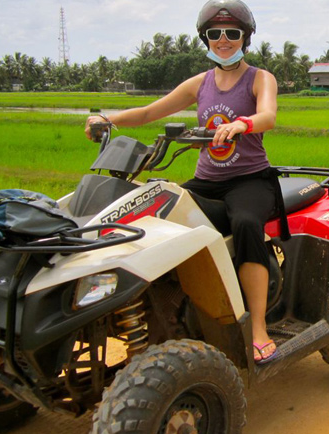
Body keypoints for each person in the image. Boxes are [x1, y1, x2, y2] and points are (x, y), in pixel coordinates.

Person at [84, 0, 280, 363]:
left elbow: (267, 114)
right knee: (156, 211)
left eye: (232, 33)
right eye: (215, 33)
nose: (223, 40)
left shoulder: (260, 78)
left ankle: (258, 327)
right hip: (206, 181)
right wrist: (107, 118)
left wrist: (243, 123)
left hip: (250, 181)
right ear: (205, 38)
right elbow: (147, 112)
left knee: (247, 223)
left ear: (245, 38)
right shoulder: (199, 83)